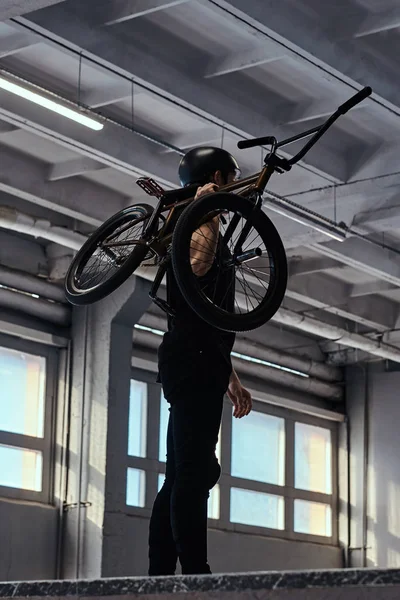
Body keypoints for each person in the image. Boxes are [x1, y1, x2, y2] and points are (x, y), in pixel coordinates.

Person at [148, 147, 253, 576]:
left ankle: (160, 574)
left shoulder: (192, 219)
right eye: (231, 178)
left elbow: (206, 315)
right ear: (217, 176)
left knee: (181, 473)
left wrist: (233, 379)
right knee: (195, 470)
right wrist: (207, 213)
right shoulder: (193, 221)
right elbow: (195, 267)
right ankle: (194, 572)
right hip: (191, 359)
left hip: (201, 356)